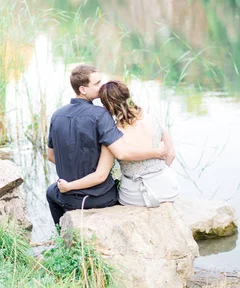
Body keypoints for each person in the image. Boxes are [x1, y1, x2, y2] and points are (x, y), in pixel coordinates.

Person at [46, 65, 168, 226]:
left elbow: (51, 156)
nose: (102, 86)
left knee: (50, 192)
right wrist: (156, 153)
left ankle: (63, 238)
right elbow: (121, 155)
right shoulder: (101, 115)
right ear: (83, 89)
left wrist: (73, 171)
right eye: (97, 83)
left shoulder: (57, 115)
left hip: (67, 197)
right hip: (99, 198)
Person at [57, 80, 179, 208]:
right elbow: (171, 154)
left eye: (104, 104)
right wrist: (156, 174)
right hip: (167, 190)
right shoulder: (154, 118)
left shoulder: (112, 133)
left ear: (109, 104)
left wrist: (69, 186)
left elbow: (100, 175)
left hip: (133, 197)